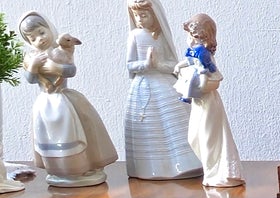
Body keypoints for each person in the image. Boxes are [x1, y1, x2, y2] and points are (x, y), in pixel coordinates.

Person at [18, 11, 118, 186]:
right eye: (33, 38)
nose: (39, 39)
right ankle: (58, 170)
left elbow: (71, 71)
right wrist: (33, 67)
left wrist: (56, 68)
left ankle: (79, 168)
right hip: (45, 104)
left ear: (49, 29)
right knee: (50, 138)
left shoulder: (59, 52)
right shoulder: (31, 57)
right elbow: (30, 79)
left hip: (64, 101)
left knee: (74, 132)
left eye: (41, 32)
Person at [123, 0, 199, 179]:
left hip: (165, 83)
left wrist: (159, 64)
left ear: (155, 15)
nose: (139, 19)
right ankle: (151, 168)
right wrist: (146, 64)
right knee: (150, 127)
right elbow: (130, 65)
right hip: (144, 86)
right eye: (136, 16)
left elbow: (173, 64)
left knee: (174, 120)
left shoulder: (162, 37)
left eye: (144, 15)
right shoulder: (135, 35)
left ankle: (185, 164)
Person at [173, 12, 239, 187]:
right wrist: (180, 66)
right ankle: (211, 171)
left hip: (208, 103)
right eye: (190, 37)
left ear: (205, 38)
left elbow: (214, 78)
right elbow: (188, 61)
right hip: (198, 103)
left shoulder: (206, 55)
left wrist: (200, 84)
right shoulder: (194, 52)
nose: (191, 41)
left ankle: (216, 173)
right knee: (193, 137)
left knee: (207, 138)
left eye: (195, 37)